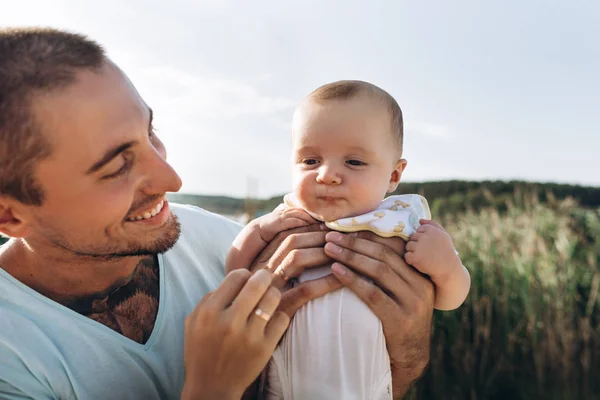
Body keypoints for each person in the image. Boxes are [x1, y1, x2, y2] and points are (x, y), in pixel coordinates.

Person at [0, 28, 434, 400]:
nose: (172, 179)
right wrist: (212, 389)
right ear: (9, 215)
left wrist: (407, 352)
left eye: (150, 133)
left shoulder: (222, 242)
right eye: (117, 166)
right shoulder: (11, 360)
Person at [227, 81, 470, 399]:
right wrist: (256, 232)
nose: (326, 174)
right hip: (283, 386)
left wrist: (445, 266)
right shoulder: (288, 216)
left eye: (354, 162)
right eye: (310, 161)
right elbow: (234, 269)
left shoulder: (402, 220)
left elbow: (450, 299)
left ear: (394, 176)